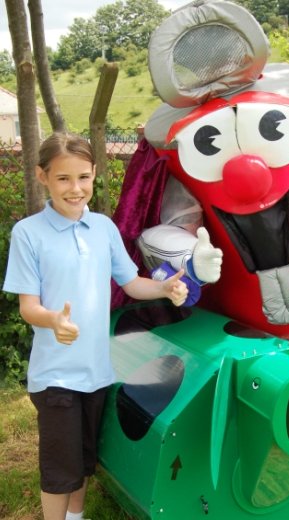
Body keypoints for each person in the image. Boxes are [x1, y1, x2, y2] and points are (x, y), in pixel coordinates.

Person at [2, 132, 188, 520]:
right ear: (42, 177)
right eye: (63, 179)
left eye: (83, 177)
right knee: (59, 470)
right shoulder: (28, 234)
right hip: (55, 376)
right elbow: (28, 307)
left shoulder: (103, 228)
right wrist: (53, 320)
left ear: (95, 173)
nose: (75, 189)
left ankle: (76, 516)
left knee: (85, 459)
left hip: (96, 372)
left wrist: (165, 287)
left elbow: (131, 282)